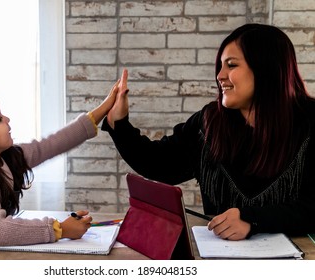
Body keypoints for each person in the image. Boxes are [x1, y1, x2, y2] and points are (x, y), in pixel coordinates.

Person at [103, 23, 315, 241]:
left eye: (231, 65)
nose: (220, 75)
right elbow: (158, 163)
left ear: (266, 68)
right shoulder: (209, 122)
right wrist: (119, 123)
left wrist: (253, 219)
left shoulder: (310, 121)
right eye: (221, 66)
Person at [0, 80, 121, 259]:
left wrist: (104, 108)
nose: (8, 119)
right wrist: (59, 229)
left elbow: (52, 143)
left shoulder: (8, 158)